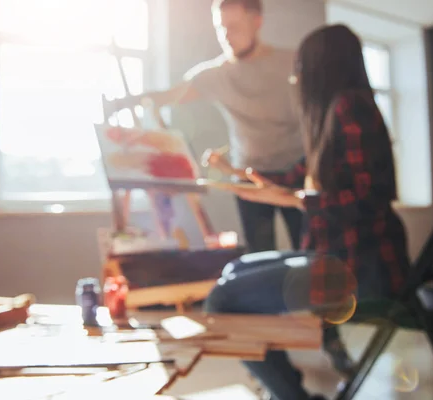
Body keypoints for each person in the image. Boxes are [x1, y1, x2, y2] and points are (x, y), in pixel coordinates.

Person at [203, 24, 411, 400]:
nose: (296, 76)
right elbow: (296, 175)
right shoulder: (335, 114)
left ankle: (290, 396)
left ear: (322, 66)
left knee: (223, 299)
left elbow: (369, 201)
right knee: (235, 270)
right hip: (339, 259)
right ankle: (286, 390)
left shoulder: (349, 107)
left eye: (301, 66)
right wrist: (242, 177)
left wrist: (299, 199)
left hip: (359, 271)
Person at [105, 0, 304, 253]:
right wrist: (125, 102)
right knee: (260, 256)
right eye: (221, 28)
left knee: (307, 253)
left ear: (257, 21)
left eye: (234, 26)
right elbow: (171, 95)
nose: (227, 36)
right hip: (248, 178)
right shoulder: (215, 74)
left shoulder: (291, 62)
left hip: (295, 174)